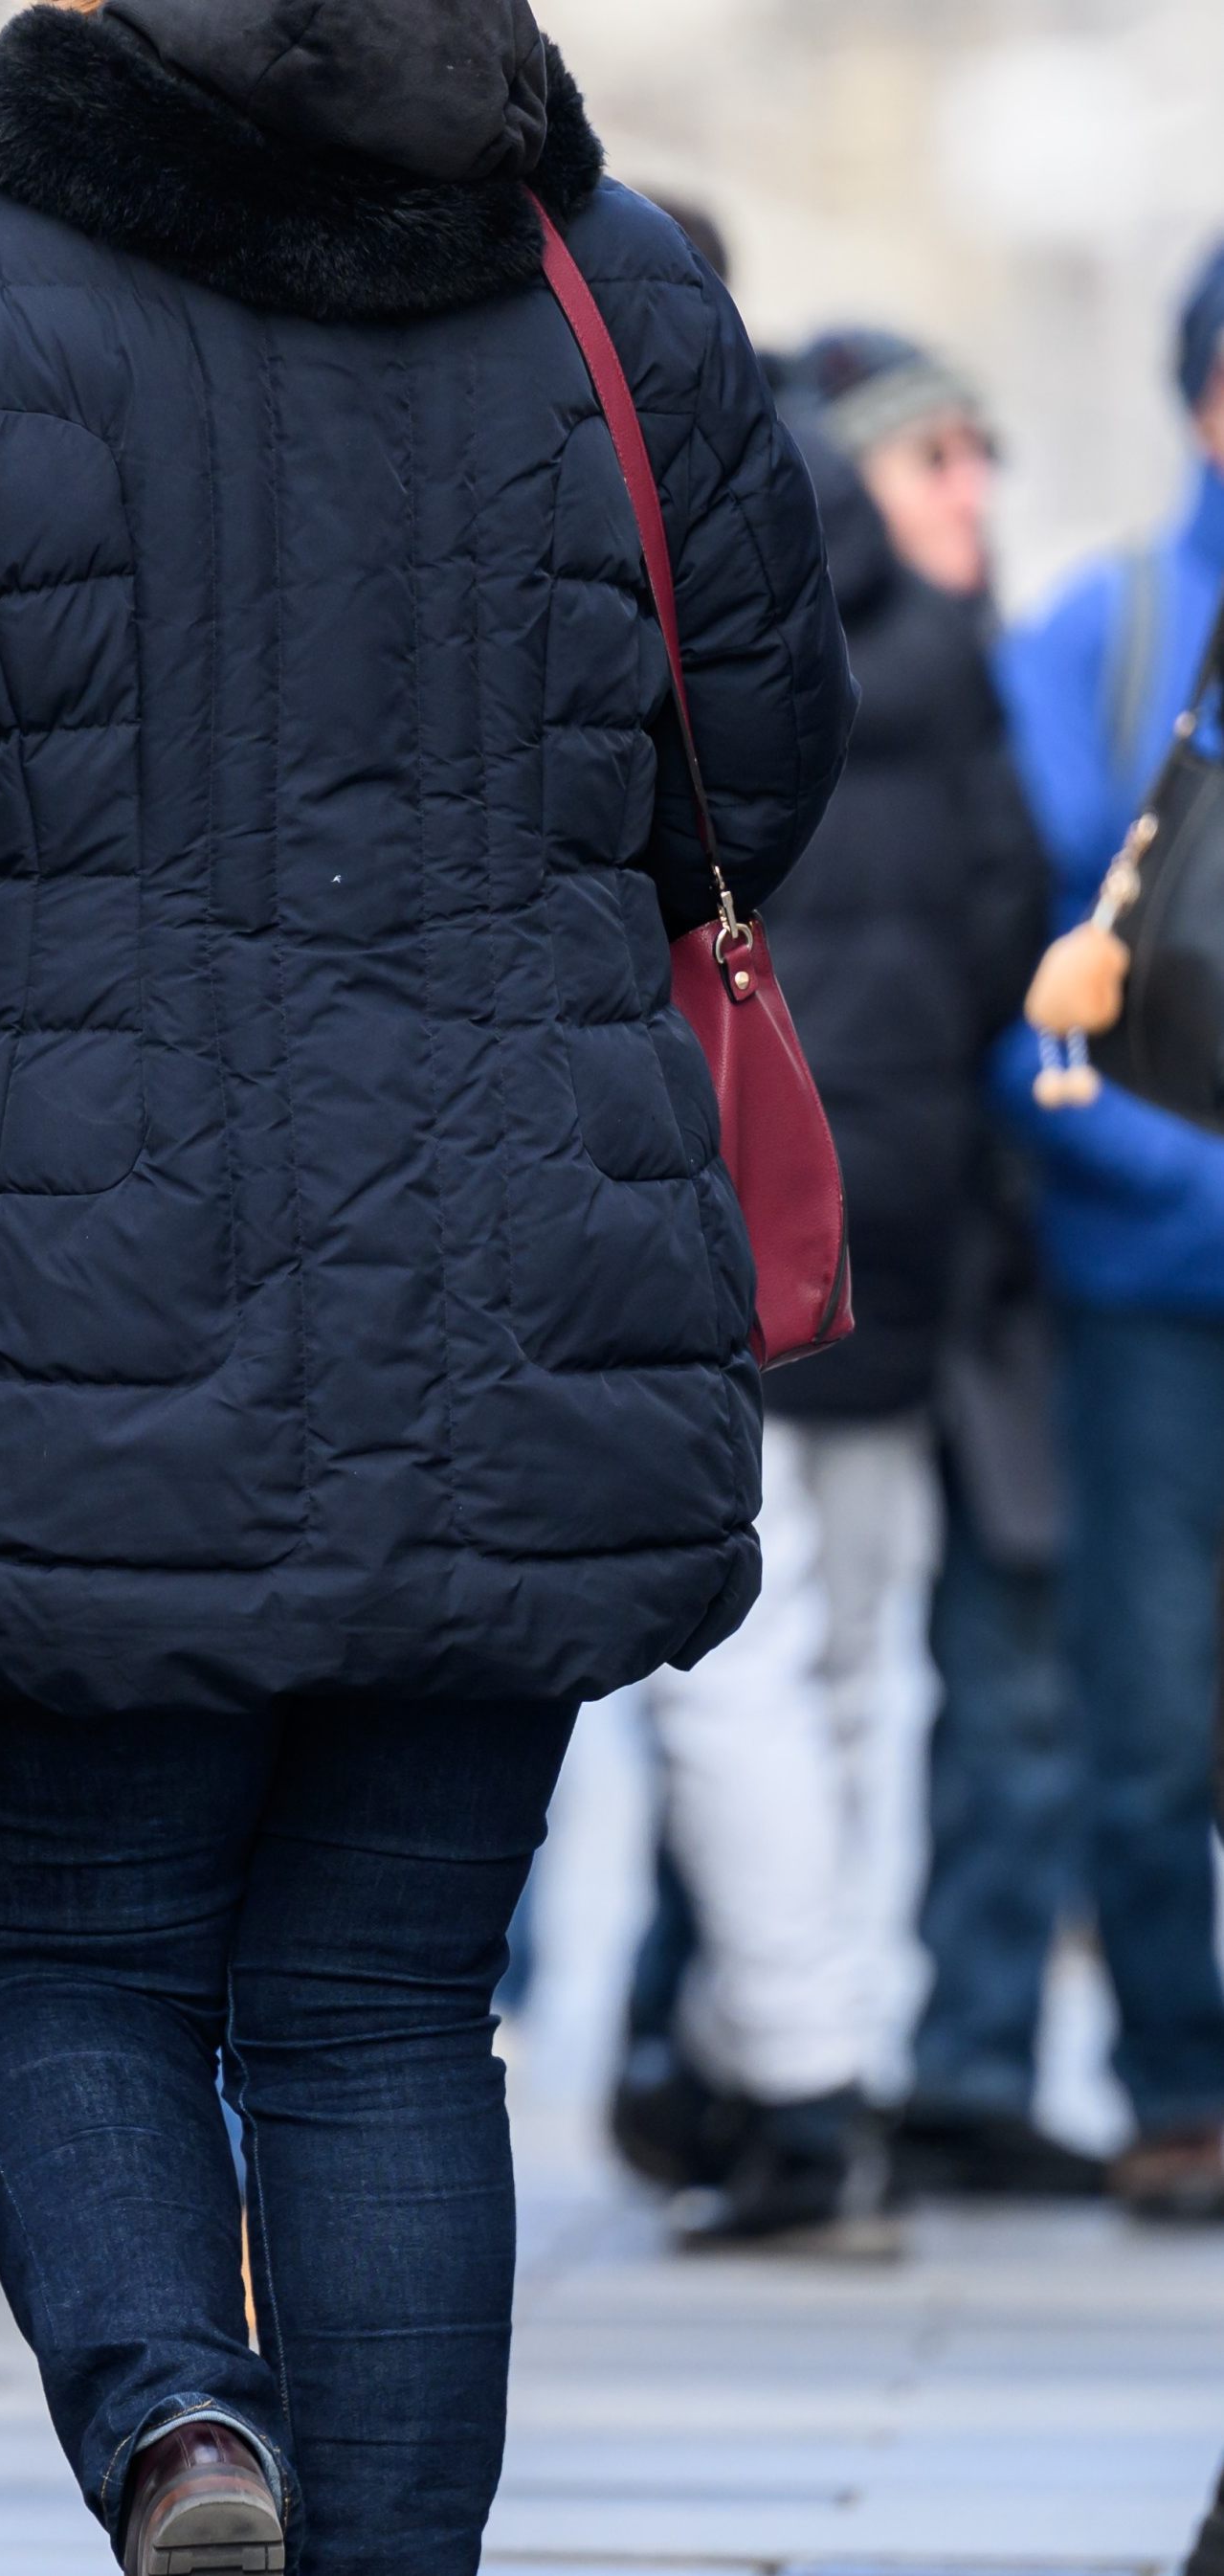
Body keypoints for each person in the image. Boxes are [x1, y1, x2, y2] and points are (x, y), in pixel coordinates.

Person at [0, 1, 853, 2565]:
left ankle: (177, 2427)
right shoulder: (612, 279)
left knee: (58, 1960)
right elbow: (762, 755)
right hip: (516, 1269)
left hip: (69, 1280)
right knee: (383, 2012)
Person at [610, 333, 1052, 2248]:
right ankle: (799, 2046)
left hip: (709, 1195)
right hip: (896, 1219)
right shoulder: (939, 654)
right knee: (851, 1651)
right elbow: (1000, 934)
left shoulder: (675, 618)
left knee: (733, 1668)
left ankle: (788, 2082)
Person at [974, 241, 1224, 2224]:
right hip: (1147, 1278)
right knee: (1141, 1713)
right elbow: (1000, 967)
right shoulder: (1102, 632)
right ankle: (1172, 2086)